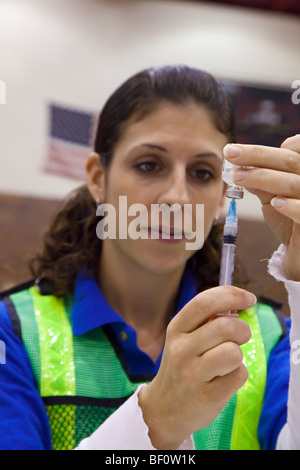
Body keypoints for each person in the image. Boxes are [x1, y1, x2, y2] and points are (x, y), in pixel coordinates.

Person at [0, 65, 299, 450]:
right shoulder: (13, 334)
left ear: (224, 195)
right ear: (97, 178)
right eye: (148, 165)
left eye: (203, 173)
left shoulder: (272, 338)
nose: (176, 198)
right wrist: (155, 420)